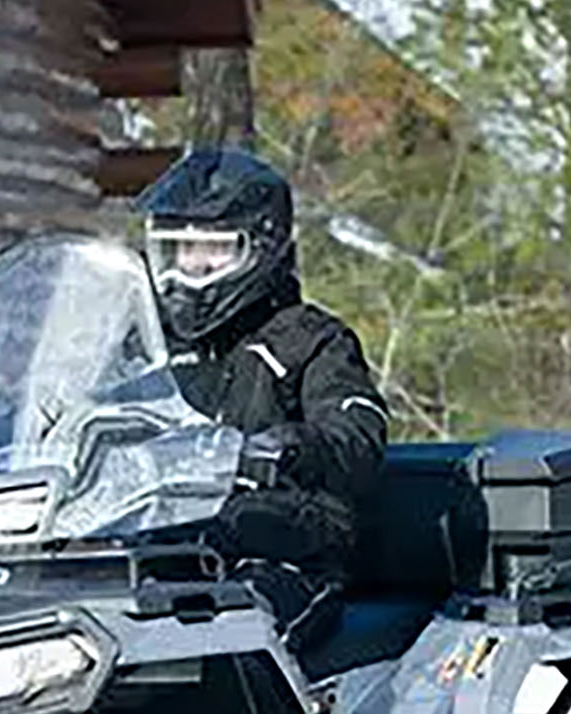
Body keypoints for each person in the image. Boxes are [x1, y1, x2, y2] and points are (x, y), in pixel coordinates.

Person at [136, 149, 389, 593]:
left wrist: (295, 447)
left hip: (285, 552)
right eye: (181, 247)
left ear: (260, 247)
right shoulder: (146, 345)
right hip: (165, 537)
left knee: (234, 590)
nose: (193, 265)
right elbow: (86, 404)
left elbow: (360, 433)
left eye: (214, 248)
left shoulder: (313, 340)